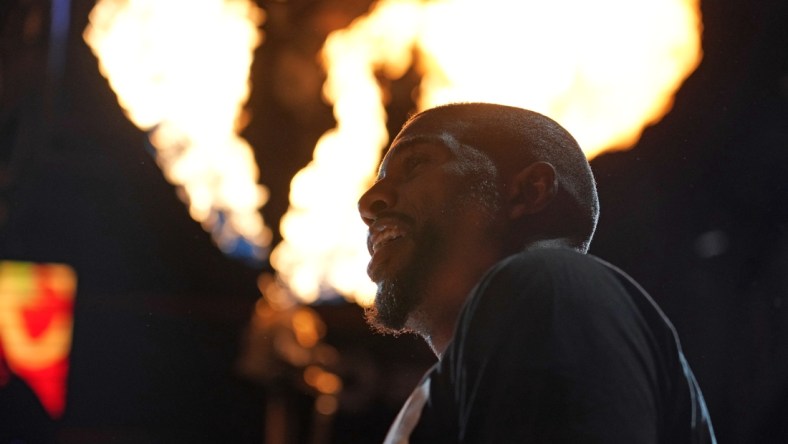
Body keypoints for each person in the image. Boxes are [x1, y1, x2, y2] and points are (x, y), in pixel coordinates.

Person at [357, 103, 716, 443]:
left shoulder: (551, 283)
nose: (368, 202)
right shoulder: (452, 391)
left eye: (416, 163)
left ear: (530, 191)